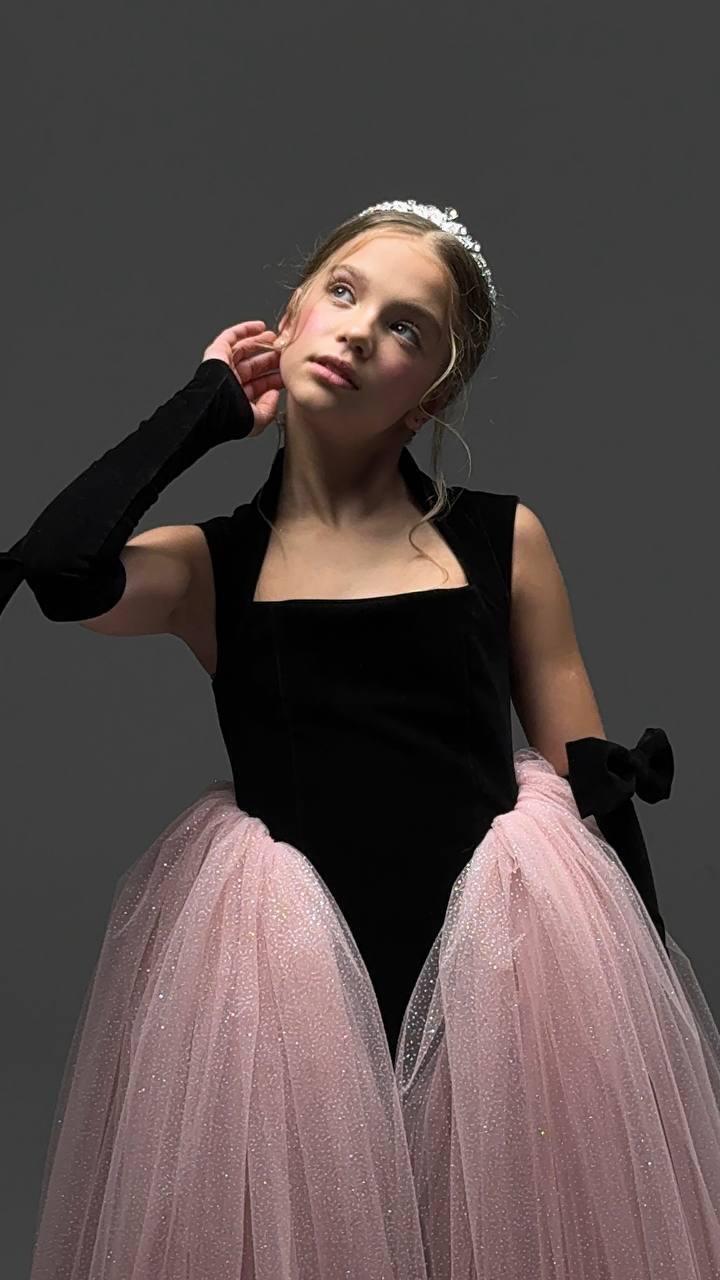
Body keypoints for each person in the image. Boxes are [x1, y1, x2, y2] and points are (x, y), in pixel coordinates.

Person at [2, 199, 719, 1278]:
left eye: (404, 328)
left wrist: (644, 1029)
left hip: (504, 978)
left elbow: (595, 785)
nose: (357, 330)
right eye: (341, 292)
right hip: (284, 994)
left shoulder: (500, 539)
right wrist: (203, 407)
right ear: (290, 314)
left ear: (427, 395)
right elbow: (60, 571)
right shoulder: (211, 566)